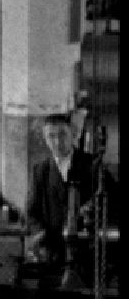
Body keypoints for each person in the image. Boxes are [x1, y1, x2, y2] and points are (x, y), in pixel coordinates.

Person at [26, 113, 114, 266]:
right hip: (53, 252)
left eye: (62, 135)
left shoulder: (93, 165)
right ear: (45, 140)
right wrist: (40, 234)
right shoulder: (40, 171)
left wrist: (92, 210)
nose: (57, 142)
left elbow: (113, 198)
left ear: (72, 134)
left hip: (88, 251)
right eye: (51, 136)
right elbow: (32, 211)